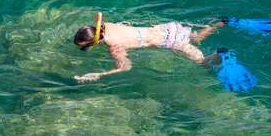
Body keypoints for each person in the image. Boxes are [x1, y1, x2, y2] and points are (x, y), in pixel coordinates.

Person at [73, 16, 226, 82]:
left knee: (202, 63)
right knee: (195, 37)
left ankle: (216, 55)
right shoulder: (106, 25)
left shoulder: (114, 46)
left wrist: (101, 74)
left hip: (169, 40)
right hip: (168, 28)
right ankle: (218, 24)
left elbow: (125, 67)